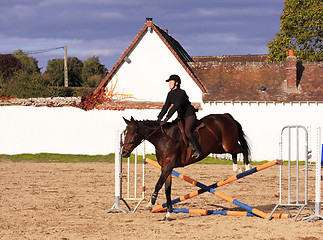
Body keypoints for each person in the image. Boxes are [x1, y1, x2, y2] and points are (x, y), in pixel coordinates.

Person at [157, 74, 202, 159]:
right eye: (169, 82)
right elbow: (166, 106)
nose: (169, 84)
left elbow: (175, 107)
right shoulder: (170, 94)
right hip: (181, 116)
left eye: (171, 82)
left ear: (176, 83)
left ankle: (197, 150)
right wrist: (159, 118)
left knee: (187, 131)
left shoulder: (182, 93)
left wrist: (166, 118)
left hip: (189, 116)